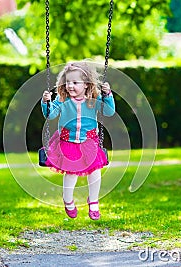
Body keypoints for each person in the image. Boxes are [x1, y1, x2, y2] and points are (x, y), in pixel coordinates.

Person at [41, 61, 115, 220]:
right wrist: (46, 102)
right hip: (68, 143)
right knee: (71, 173)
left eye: (75, 82)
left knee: (95, 172)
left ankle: (93, 201)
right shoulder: (62, 100)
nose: (70, 86)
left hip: (90, 143)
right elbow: (50, 115)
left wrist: (107, 95)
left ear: (87, 85)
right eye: (68, 82)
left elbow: (109, 112)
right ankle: (68, 200)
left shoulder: (94, 100)